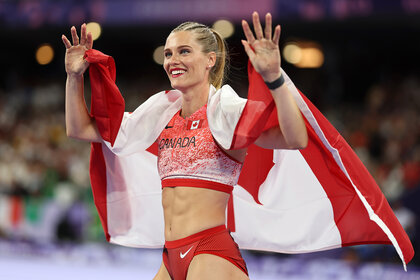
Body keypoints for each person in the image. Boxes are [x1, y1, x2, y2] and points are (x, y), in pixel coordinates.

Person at [62, 11, 307, 280]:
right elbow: (80, 129)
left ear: (210, 60)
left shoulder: (225, 112)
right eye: (168, 54)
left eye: (184, 51)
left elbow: (295, 138)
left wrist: (274, 78)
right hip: (170, 258)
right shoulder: (159, 114)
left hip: (210, 252)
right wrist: (74, 77)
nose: (173, 60)